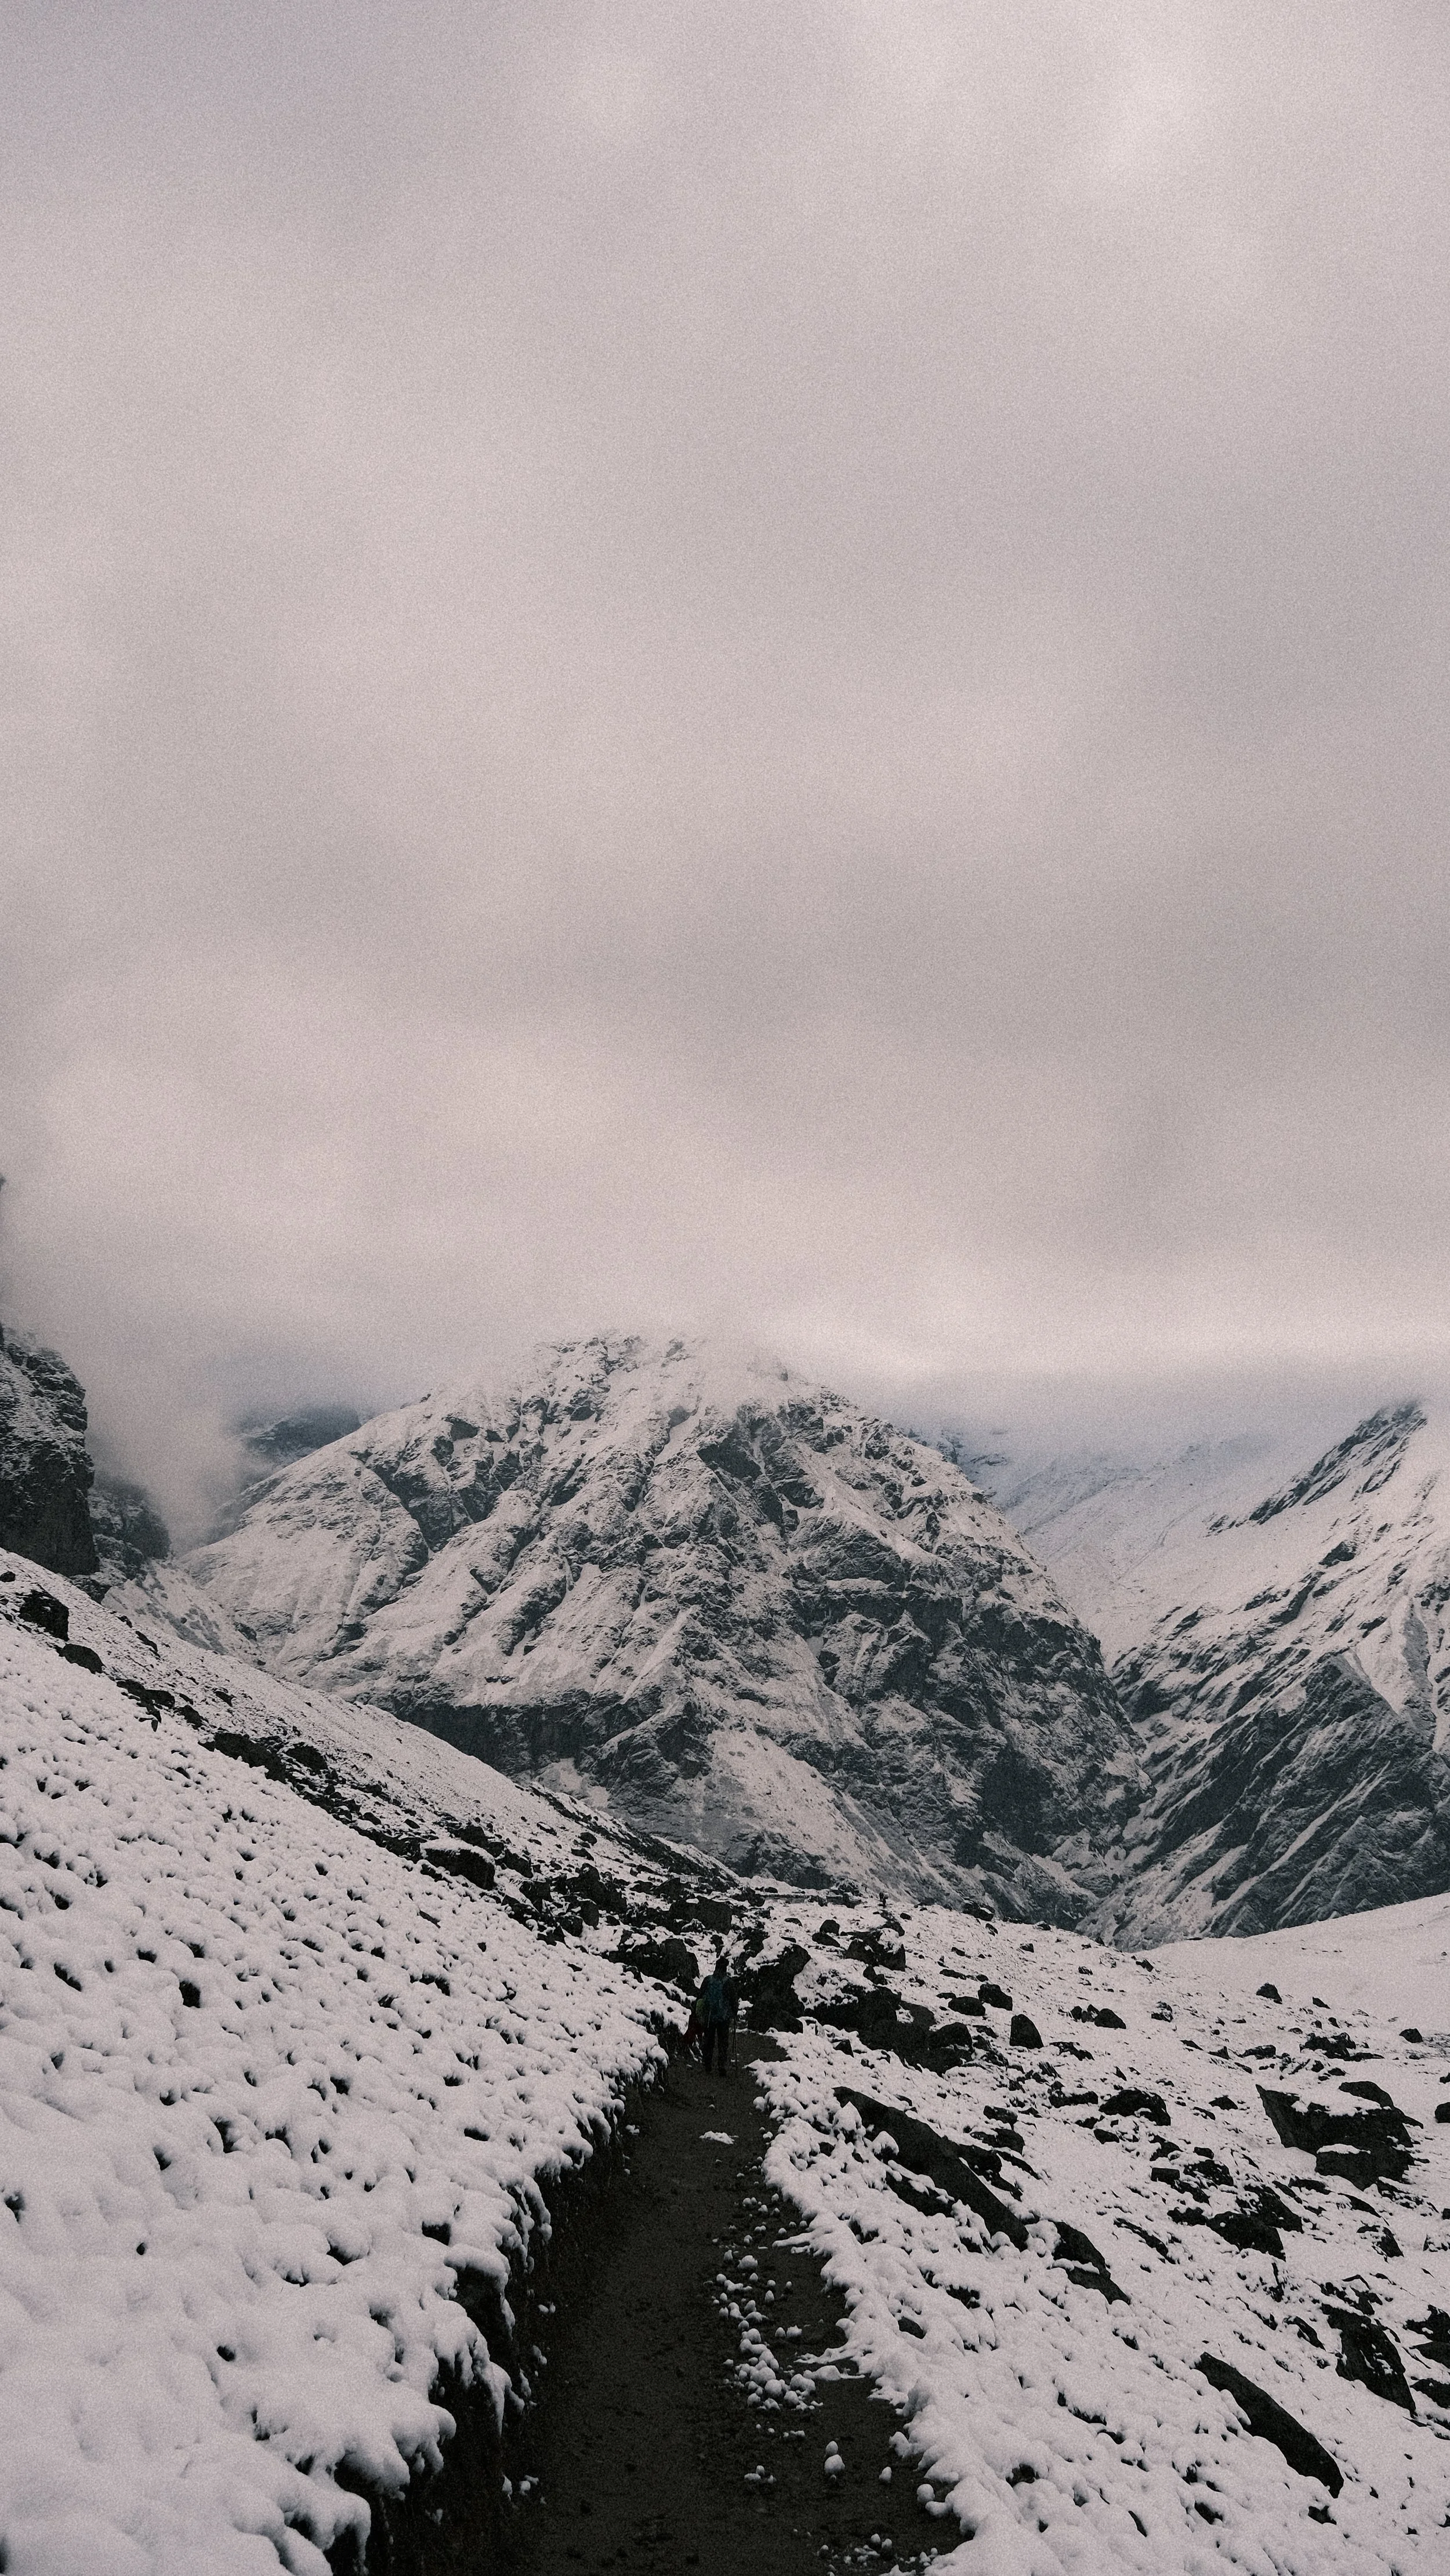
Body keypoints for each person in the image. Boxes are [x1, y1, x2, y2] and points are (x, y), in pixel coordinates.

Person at [696, 1951, 735, 2075]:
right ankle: (721, 2067)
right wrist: (734, 2012)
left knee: (709, 2041)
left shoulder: (708, 1980)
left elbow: (700, 1997)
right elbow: (733, 2000)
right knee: (723, 2042)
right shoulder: (728, 1982)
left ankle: (708, 2065)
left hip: (709, 2016)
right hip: (724, 2017)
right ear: (725, 1969)